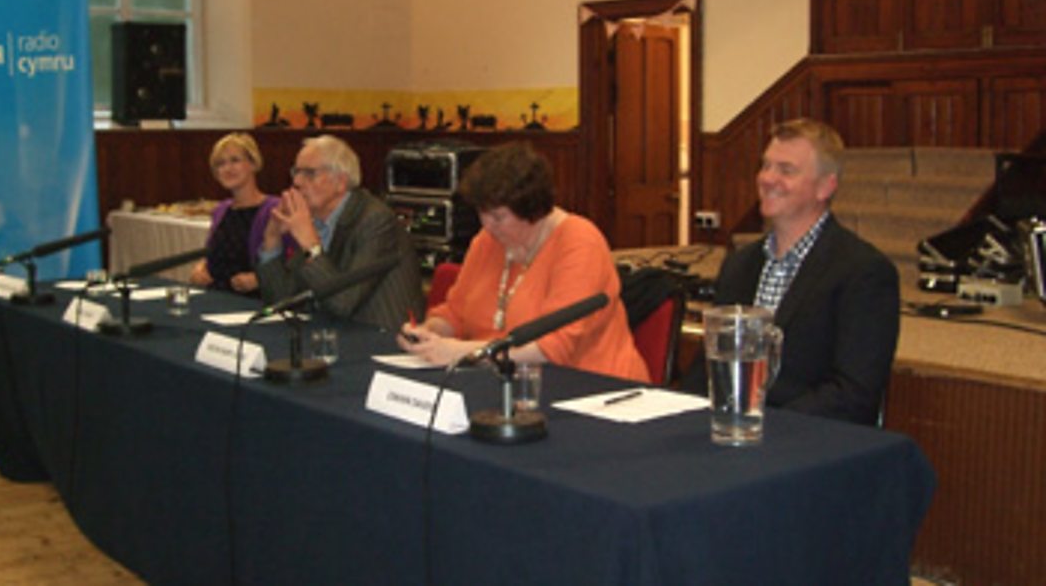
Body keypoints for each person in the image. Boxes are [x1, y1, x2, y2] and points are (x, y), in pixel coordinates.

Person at [679, 118, 900, 425]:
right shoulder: (739, 264)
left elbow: (853, 394)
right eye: (766, 166)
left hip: (809, 437)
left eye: (786, 170)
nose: (767, 178)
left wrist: (765, 424)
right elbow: (708, 368)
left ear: (825, 186)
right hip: (731, 432)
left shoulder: (863, 272)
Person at [398, 142, 647, 383]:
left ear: (532, 210)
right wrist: (430, 333)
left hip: (591, 387)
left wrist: (461, 352)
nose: (487, 224)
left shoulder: (579, 242)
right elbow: (455, 313)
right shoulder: (486, 242)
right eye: (482, 213)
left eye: (498, 216)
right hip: (503, 381)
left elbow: (553, 349)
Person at [256, 134, 423, 331]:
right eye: (296, 172)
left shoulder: (375, 221)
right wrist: (272, 242)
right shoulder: (315, 222)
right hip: (332, 333)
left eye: (309, 173)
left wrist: (310, 244)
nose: (297, 181)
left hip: (380, 338)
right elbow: (283, 302)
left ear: (340, 182)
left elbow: (343, 302)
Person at [190, 132, 279, 294]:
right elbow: (214, 255)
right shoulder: (221, 210)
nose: (227, 168)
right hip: (215, 296)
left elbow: (292, 263)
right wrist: (201, 268)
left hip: (253, 301)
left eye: (235, 160)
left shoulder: (274, 209)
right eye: (220, 163)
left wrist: (259, 279)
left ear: (253, 163)